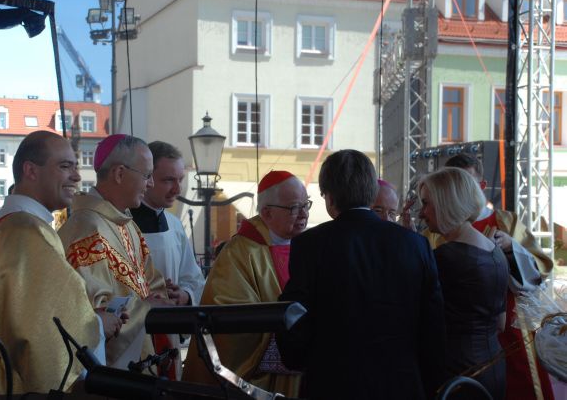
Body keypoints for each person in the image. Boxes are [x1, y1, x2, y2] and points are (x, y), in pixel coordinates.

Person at [0, 131, 116, 398]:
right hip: (8, 386)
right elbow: (46, 331)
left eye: (76, 166)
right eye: (65, 166)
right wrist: (99, 324)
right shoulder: (27, 231)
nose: (77, 176)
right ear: (31, 170)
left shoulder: (5, 224)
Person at [276, 150, 445, 400]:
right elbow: (433, 326)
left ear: (330, 198)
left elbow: (294, 314)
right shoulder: (416, 245)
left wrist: (300, 359)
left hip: (332, 383)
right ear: (369, 193)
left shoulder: (309, 244)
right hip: (401, 384)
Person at [182, 171, 309, 397]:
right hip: (261, 384)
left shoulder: (310, 247)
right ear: (267, 213)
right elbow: (229, 323)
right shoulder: (240, 253)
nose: (304, 214)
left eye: (306, 205)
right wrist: (289, 343)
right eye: (294, 208)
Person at [58, 134, 174, 374]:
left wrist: (164, 298)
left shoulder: (128, 225)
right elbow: (89, 317)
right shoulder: (86, 230)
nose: (150, 184)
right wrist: (145, 309)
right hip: (113, 374)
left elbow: (152, 284)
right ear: (120, 174)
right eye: (147, 175)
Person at [443, 152, 554, 400]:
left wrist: (513, 247)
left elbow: (541, 267)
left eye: (468, 183)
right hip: (463, 326)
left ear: (482, 185)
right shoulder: (440, 225)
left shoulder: (505, 221)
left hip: (510, 319)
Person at [418, 167, 509, 399]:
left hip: (457, 373)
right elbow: (501, 322)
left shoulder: (447, 257)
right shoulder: (495, 251)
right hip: (493, 366)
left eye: (427, 203)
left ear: (447, 204)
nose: (422, 213)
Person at [130, 141, 205, 307]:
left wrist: (184, 295)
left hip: (173, 323)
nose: (177, 190)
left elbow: (193, 279)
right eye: (168, 180)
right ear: (147, 178)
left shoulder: (175, 225)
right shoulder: (122, 224)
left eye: (180, 179)